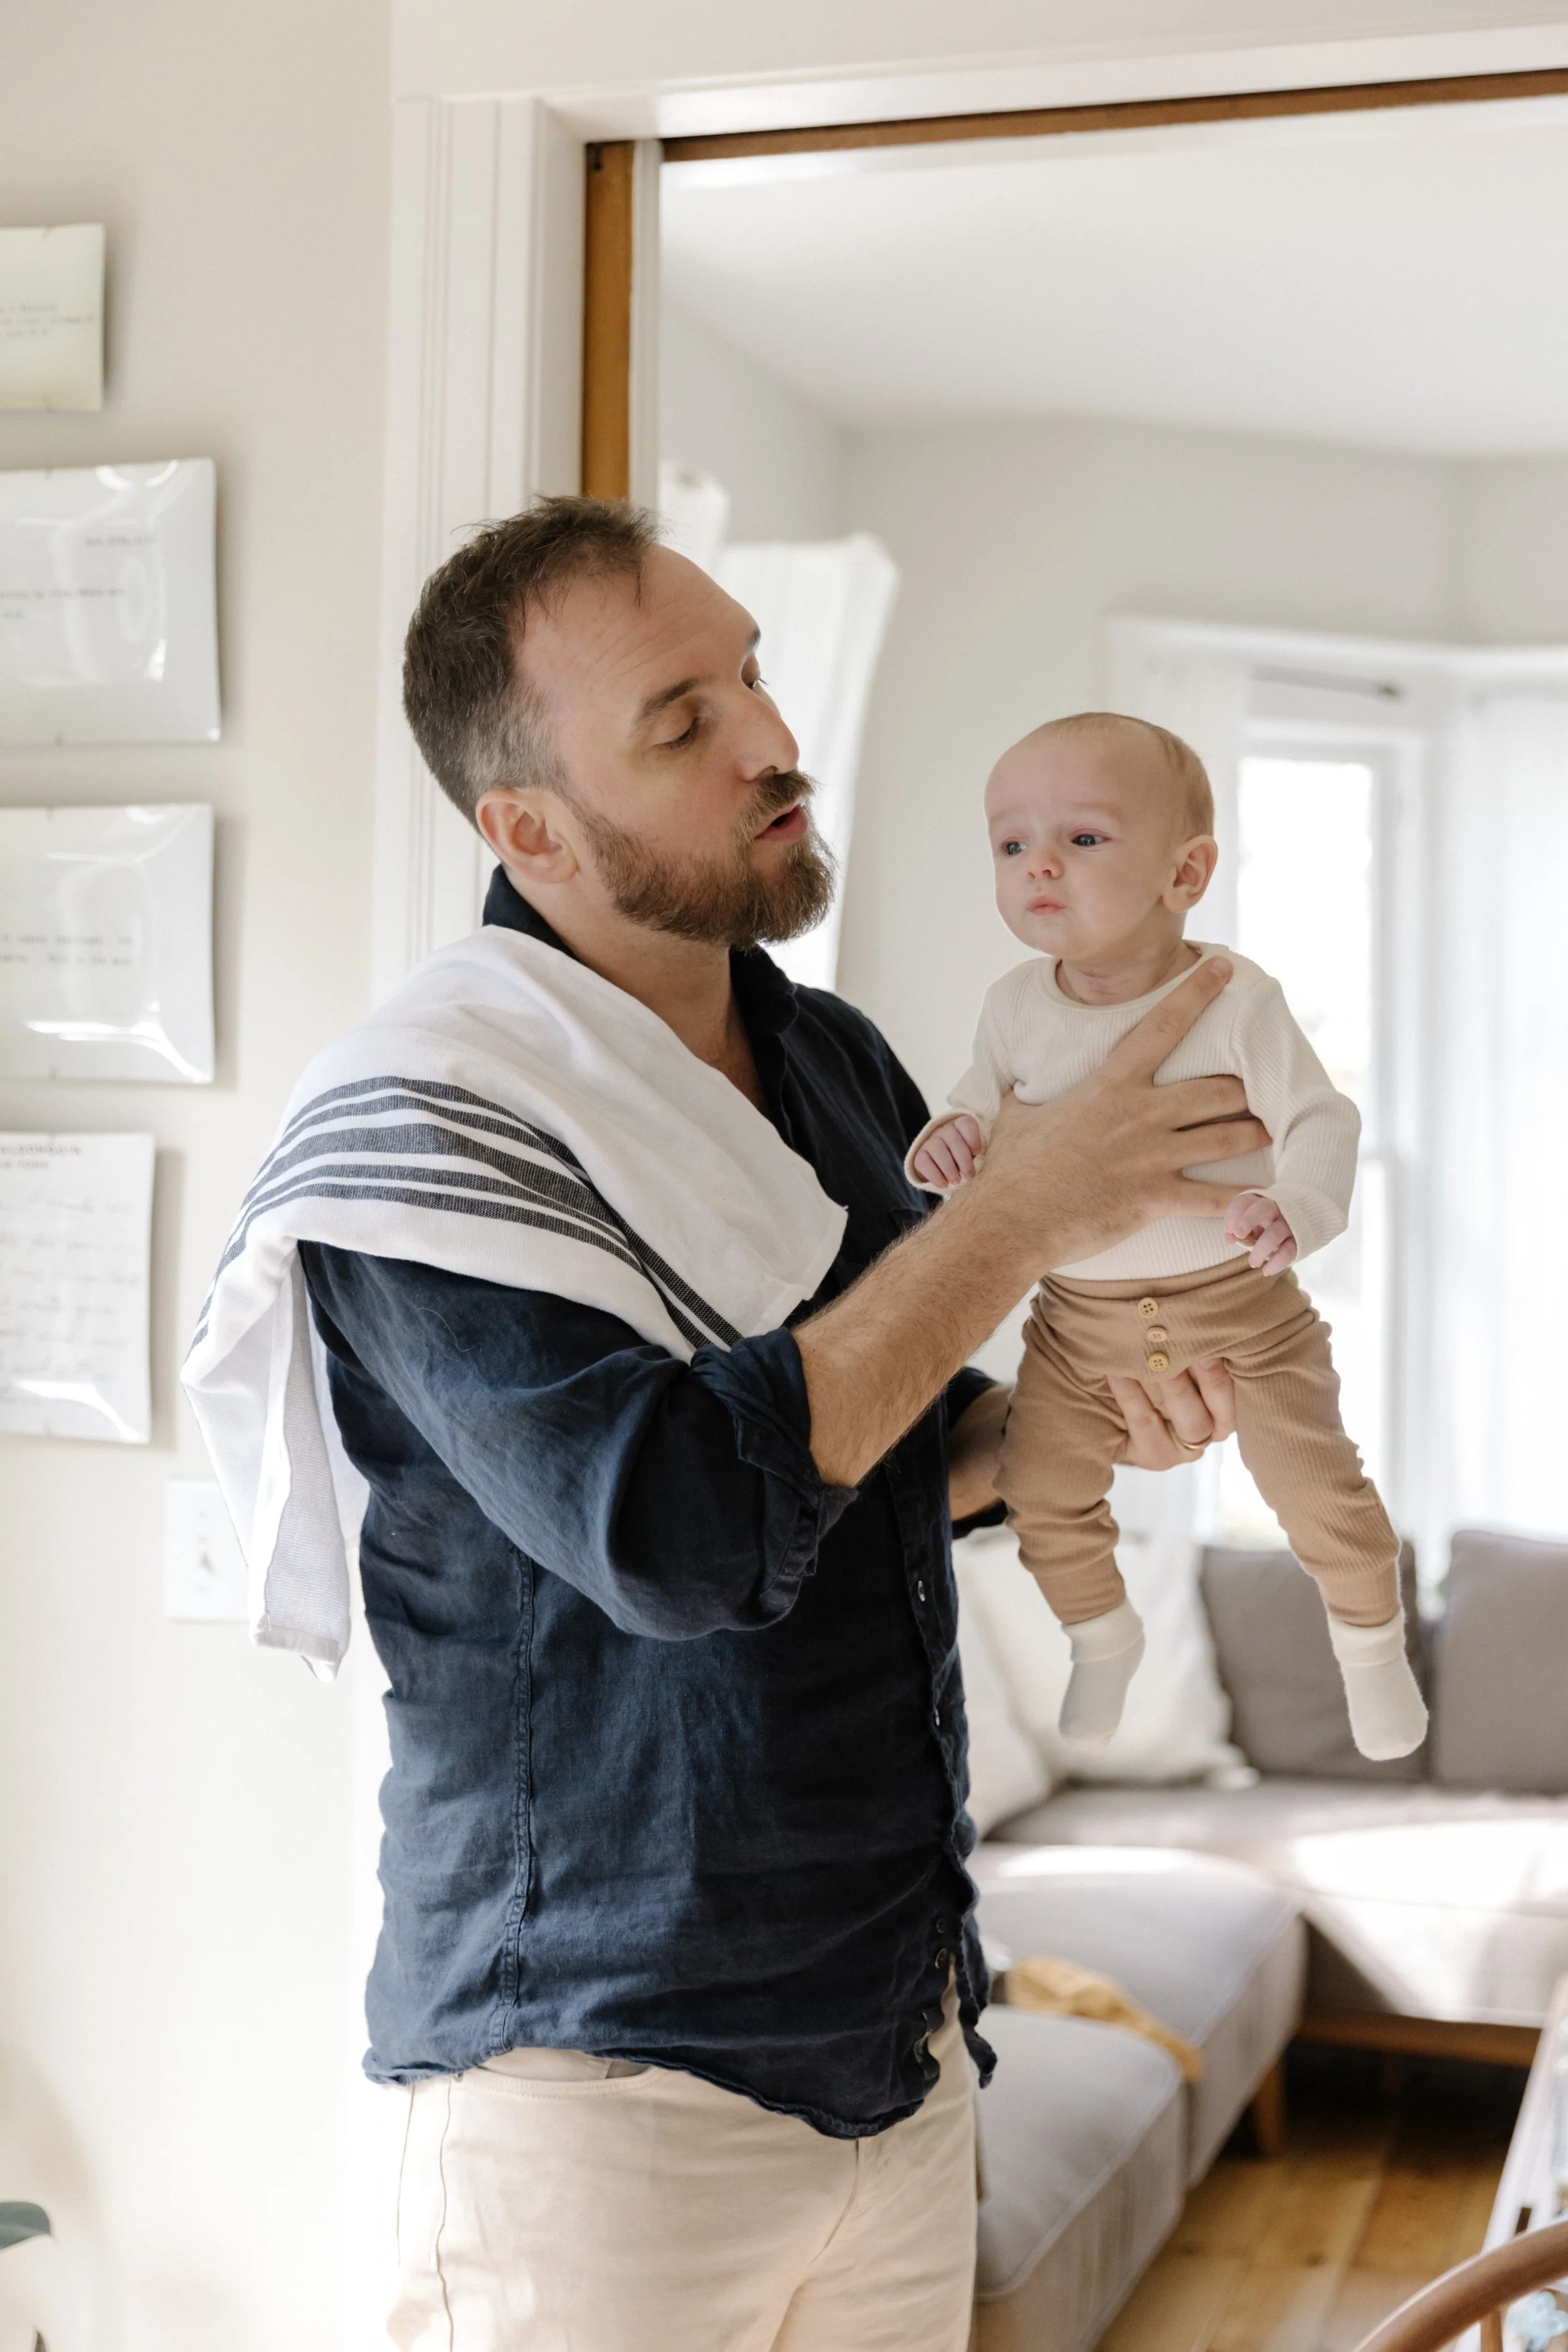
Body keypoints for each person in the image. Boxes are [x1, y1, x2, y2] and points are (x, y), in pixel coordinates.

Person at [191, 498, 1264, 2352]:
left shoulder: (829, 1055)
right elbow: (683, 1525)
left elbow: (875, 1435)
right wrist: (1020, 1211)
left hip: (894, 2031)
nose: (773, 738)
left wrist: (1059, 1430)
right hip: (599, 2095)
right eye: (679, 721)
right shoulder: (424, 1134)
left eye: (749, 673)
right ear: (523, 828)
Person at [909, 712, 1428, 1764]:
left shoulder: (1235, 998)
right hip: (1076, 1328)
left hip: (1246, 1310)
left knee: (1316, 1486)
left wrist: (1297, 1206)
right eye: (1011, 845)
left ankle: (1372, 1647)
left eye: (1083, 839)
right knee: (1043, 1484)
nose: (1038, 864)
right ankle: (1102, 1632)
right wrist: (947, 1140)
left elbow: (1323, 1120)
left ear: (1185, 871)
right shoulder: (1013, 1007)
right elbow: (977, 1111)